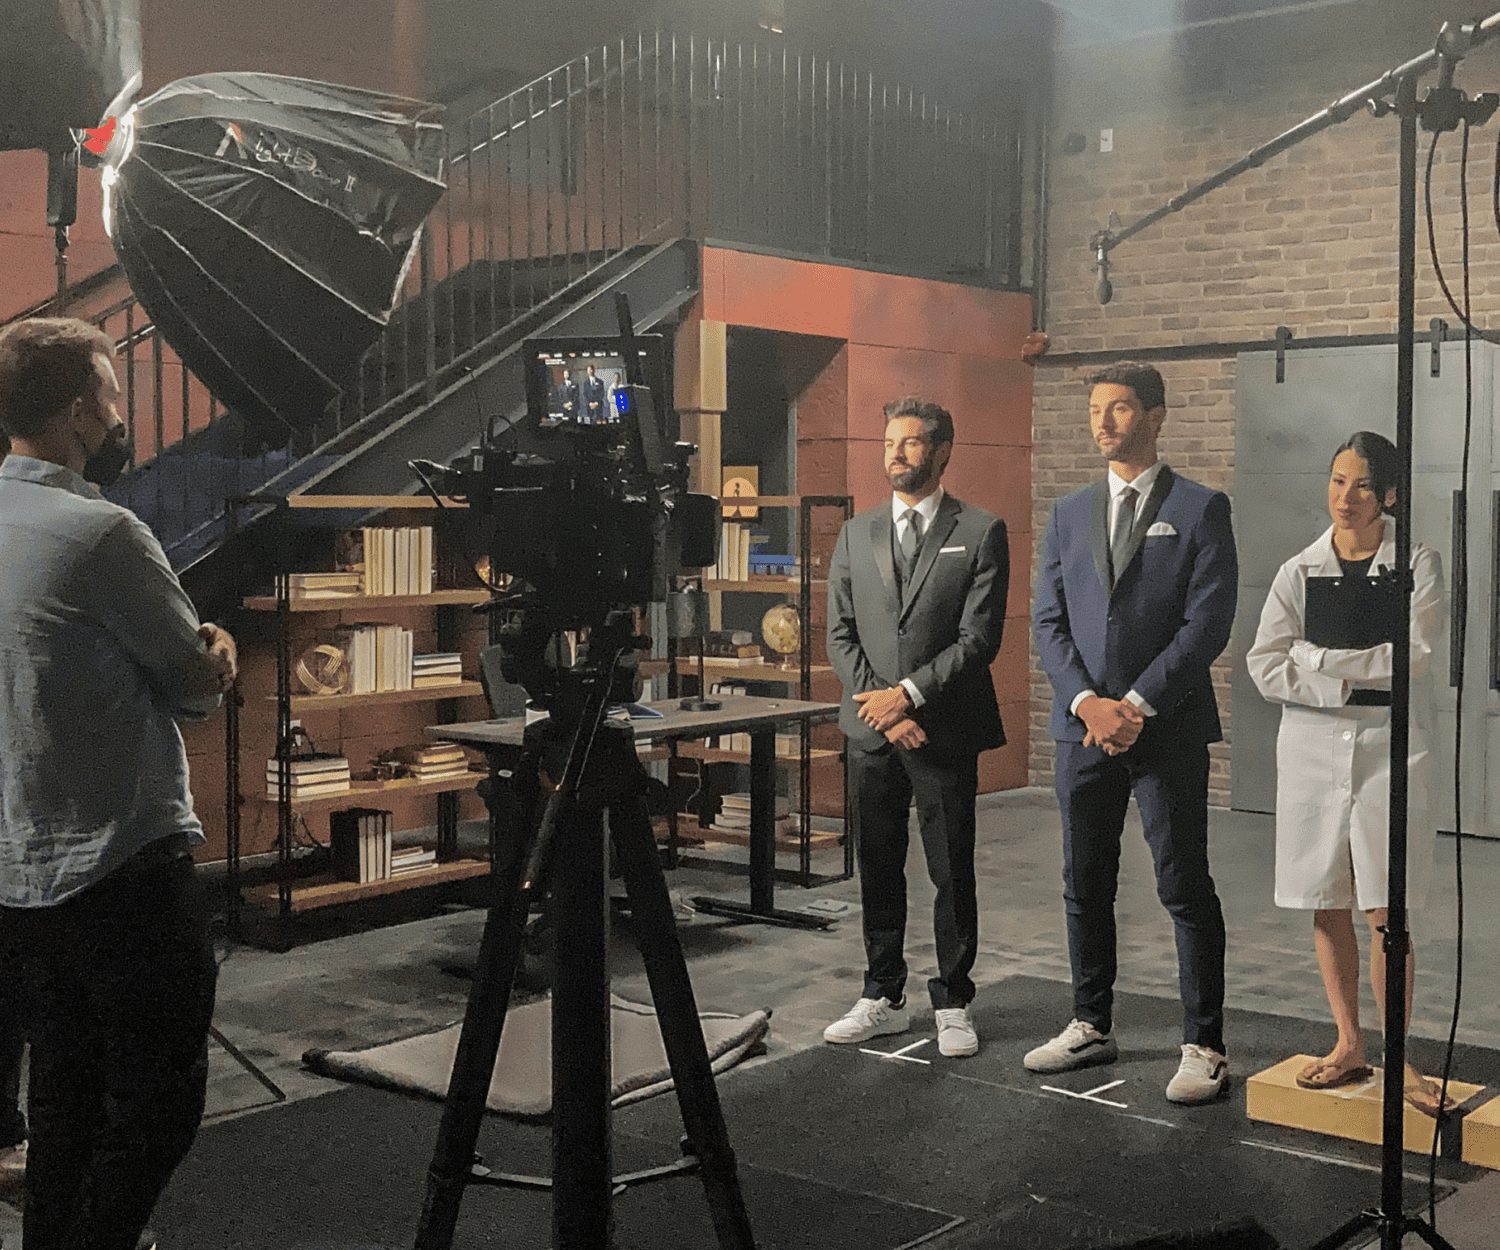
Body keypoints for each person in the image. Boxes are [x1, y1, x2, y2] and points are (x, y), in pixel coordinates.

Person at [0, 317, 237, 1249]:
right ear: (74, 414)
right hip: (125, 867)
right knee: (155, 1105)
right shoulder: (103, 534)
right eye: (108, 388)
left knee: (64, 1100)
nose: (119, 406)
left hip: (22, 875)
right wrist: (216, 652)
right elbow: (188, 685)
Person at [1030, 362, 1238, 1104]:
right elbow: (1049, 623)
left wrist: (1137, 705)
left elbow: (1207, 624)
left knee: (1182, 882)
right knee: (1084, 882)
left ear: (1156, 416)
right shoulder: (1067, 512)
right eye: (1096, 409)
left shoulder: (1202, 507)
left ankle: (1205, 1043)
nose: (1104, 422)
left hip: (1167, 727)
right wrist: (1089, 704)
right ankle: (1090, 1023)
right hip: (1081, 729)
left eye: (1119, 408)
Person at [1245, 431, 1449, 1116]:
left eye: (1362, 484)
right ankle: (1349, 1043)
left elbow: (1412, 655)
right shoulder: (1298, 571)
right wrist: (1334, 679)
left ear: (1389, 493)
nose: (1346, 497)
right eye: (1337, 481)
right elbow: (1265, 663)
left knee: (1387, 906)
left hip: (1390, 746)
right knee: (1325, 896)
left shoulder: (1417, 561)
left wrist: (1320, 660)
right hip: (1310, 745)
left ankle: (1399, 1058)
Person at [823, 396, 1009, 1057]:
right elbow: (839, 634)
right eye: (889, 443)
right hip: (873, 730)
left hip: (944, 729)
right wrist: (881, 705)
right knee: (878, 864)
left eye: (910, 443)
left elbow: (978, 639)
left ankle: (954, 1001)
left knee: (950, 868)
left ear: (942, 451)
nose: (895, 454)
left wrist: (907, 696)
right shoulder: (857, 532)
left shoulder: (982, 530)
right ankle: (882, 994)